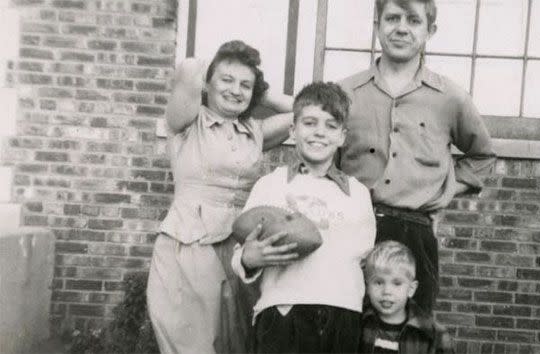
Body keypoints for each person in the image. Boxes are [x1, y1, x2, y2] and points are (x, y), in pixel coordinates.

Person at [338, 0, 496, 314]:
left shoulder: (449, 97)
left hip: (415, 233)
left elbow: (482, 157)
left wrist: (445, 189)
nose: (401, 28)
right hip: (353, 228)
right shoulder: (345, 93)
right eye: (392, 18)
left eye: (413, 20)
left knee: (412, 331)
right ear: (377, 26)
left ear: (429, 31)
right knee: (346, 325)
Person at [146, 40, 294, 354]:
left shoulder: (255, 131)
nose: (235, 90)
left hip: (239, 248)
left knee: (236, 341)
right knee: (193, 344)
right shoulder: (187, 121)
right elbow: (187, 69)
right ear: (208, 84)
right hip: (189, 244)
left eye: (245, 85)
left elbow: (305, 111)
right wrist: (221, 70)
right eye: (226, 80)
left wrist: (262, 91)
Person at [231, 82, 377, 353]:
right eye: (309, 123)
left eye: (331, 126)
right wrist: (249, 259)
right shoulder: (271, 185)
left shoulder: (357, 193)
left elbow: (363, 258)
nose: (319, 133)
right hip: (283, 311)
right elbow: (241, 253)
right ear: (292, 130)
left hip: (342, 312)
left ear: (342, 136)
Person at [360, 241, 453, 354]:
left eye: (397, 283)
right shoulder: (358, 326)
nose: (387, 291)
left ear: (411, 289)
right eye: (379, 283)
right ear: (367, 286)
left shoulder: (433, 334)